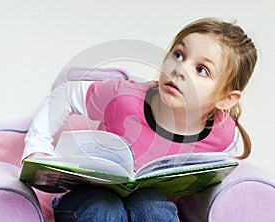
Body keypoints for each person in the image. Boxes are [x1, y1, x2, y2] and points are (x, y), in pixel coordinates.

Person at [22, 17, 258, 221]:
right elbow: (65, 94)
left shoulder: (222, 133)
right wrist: (37, 147)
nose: (179, 69)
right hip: (87, 200)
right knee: (104, 208)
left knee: (152, 205)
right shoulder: (124, 98)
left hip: (149, 205)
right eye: (178, 54)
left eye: (201, 70)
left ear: (226, 100)